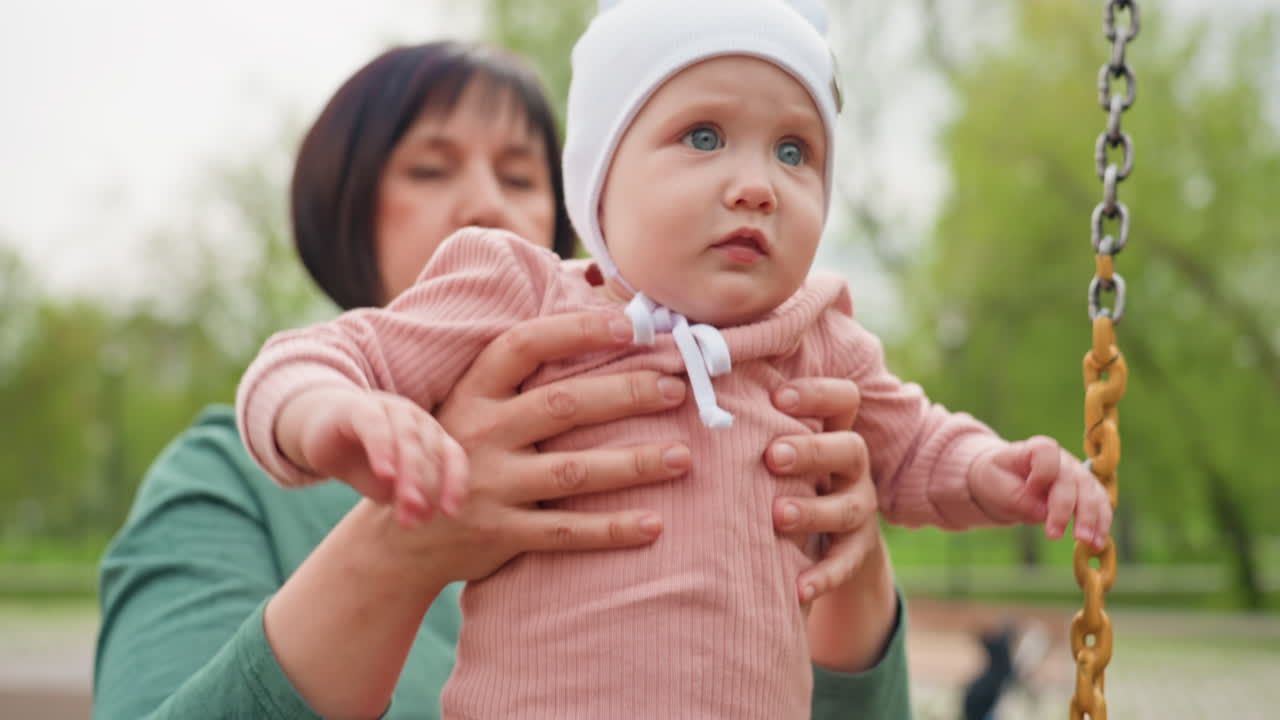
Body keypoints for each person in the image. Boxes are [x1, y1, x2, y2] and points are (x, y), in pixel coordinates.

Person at [235, 1, 1113, 718]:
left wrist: (999, 471)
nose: (757, 183)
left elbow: (915, 448)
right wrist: (335, 416)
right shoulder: (520, 299)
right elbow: (319, 358)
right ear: (600, 186)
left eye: (795, 151)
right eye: (703, 137)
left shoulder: (817, 336)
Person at [95, 38, 912, 720]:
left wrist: (850, 550)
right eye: (429, 168)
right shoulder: (227, 479)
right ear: (342, 207)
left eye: (520, 177)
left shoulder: (726, 408)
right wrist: (403, 549)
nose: (484, 203)